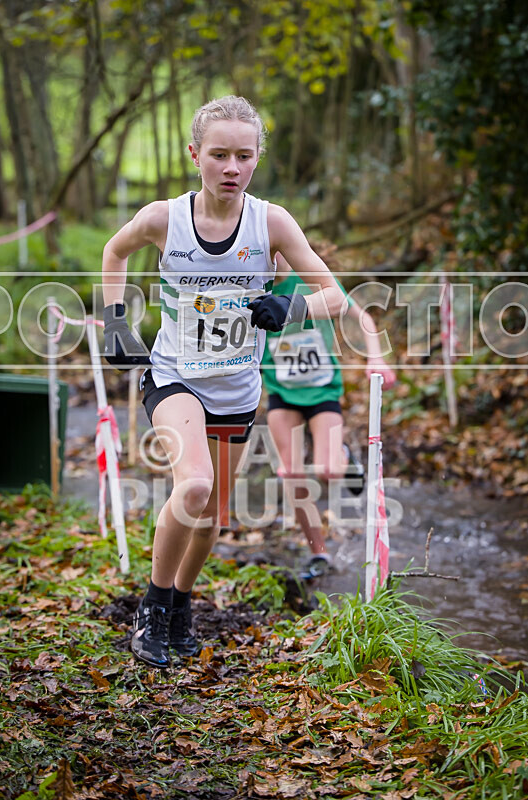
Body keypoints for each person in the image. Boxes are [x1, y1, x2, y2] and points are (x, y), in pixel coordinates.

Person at [101, 95, 347, 668]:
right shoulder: (165, 218)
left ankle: (182, 605)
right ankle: (153, 608)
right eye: (219, 155)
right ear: (195, 155)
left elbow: (335, 295)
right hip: (174, 376)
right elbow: (115, 252)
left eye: (243, 155)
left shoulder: (273, 222)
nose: (231, 168)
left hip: (236, 389)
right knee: (191, 486)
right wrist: (116, 323)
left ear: (258, 158)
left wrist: (291, 310)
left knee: (213, 516)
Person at [262, 252, 396, 579]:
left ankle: (345, 458)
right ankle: (318, 553)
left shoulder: (311, 282)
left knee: (327, 470)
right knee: (291, 474)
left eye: (282, 249)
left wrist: (375, 357)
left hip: (322, 392)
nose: (278, 258)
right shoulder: (255, 288)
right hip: (282, 392)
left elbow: (363, 318)